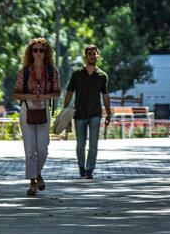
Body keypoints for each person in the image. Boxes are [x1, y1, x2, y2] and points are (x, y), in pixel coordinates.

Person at [13, 38, 61, 197]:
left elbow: (58, 92)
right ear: (30, 53)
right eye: (35, 50)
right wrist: (30, 96)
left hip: (43, 109)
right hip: (27, 109)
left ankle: (38, 174)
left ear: (46, 53)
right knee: (30, 149)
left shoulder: (51, 71)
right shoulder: (24, 71)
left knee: (43, 148)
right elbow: (15, 94)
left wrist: (44, 96)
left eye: (41, 50)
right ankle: (33, 182)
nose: (38, 53)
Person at [63, 44, 111, 179]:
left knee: (94, 144)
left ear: (98, 56)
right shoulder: (77, 73)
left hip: (95, 114)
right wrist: (65, 112)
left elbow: (105, 95)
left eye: (94, 53)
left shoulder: (102, 75)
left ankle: (90, 170)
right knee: (80, 144)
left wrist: (109, 113)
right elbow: (69, 92)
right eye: (90, 54)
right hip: (79, 114)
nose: (92, 56)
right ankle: (81, 167)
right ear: (86, 56)